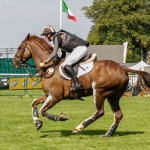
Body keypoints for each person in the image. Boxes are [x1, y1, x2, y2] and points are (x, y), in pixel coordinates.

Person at [40, 25, 89, 91]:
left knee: (65, 65)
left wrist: (45, 62)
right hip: (81, 48)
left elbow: (54, 53)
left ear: (49, 34)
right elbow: (63, 53)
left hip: (80, 48)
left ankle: (77, 84)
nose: (45, 38)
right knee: (65, 64)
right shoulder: (59, 36)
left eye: (45, 35)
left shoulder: (56, 37)